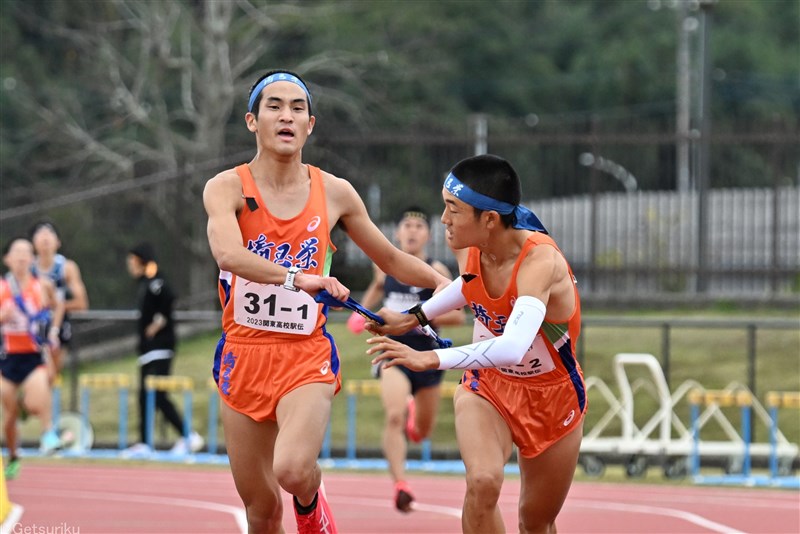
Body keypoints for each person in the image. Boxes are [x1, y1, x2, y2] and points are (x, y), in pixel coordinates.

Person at [202, 69, 450, 534]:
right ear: (252, 121)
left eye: (298, 108)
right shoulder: (226, 188)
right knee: (260, 509)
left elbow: (392, 258)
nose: (286, 116)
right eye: (274, 106)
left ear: (310, 125)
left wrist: (453, 288)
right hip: (243, 353)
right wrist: (299, 279)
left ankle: (312, 505)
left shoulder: (334, 192)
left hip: (304, 355)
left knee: (293, 470)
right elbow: (228, 255)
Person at [366, 154, 586, 534]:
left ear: (489, 219)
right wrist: (413, 316)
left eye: (453, 209)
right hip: (489, 387)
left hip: (552, 397)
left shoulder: (540, 263)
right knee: (482, 483)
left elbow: (513, 347)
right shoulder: (473, 247)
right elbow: (467, 285)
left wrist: (428, 358)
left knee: (535, 522)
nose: (443, 219)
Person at [348, 206, 464, 512]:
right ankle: (401, 484)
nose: (412, 230)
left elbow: (458, 316)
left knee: (421, 431)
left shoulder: (437, 271)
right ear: (397, 233)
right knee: (394, 416)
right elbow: (376, 287)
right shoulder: (384, 268)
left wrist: (413, 318)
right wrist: (361, 312)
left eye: (419, 226)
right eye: (407, 225)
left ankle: (415, 420)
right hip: (392, 350)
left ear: (427, 235)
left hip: (427, 356)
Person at [123, 242, 204, 457]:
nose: (129, 265)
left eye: (132, 260)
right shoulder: (145, 283)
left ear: (142, 260)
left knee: (158, 394)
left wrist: (157, 323)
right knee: (144, 396)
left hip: (159, 348)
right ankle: (144, 442)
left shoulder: (156, 280)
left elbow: (169, 300)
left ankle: (188, 435)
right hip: (147, 350)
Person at [0, 237, 65, 480]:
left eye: (25, 253)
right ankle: (14, 455)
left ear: (32, 259)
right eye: (16, 252)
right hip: (7, 358)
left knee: (40, 397)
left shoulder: (42, 285)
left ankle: (48, 434)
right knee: (9, 417)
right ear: (7, 259)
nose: (20, 257)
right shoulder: (2, 287)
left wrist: (53, 331)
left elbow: (57, 306)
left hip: (33, 355)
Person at [30, 221, 89, 376]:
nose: (45, 239)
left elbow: (82, 304)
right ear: (32, 243)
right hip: (32, 325)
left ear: (58, 242)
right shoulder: (27, 268)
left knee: (51, 376)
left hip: (58, 325)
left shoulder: (66, 267)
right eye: (40, 235)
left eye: (49, 234)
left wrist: (53, 305)